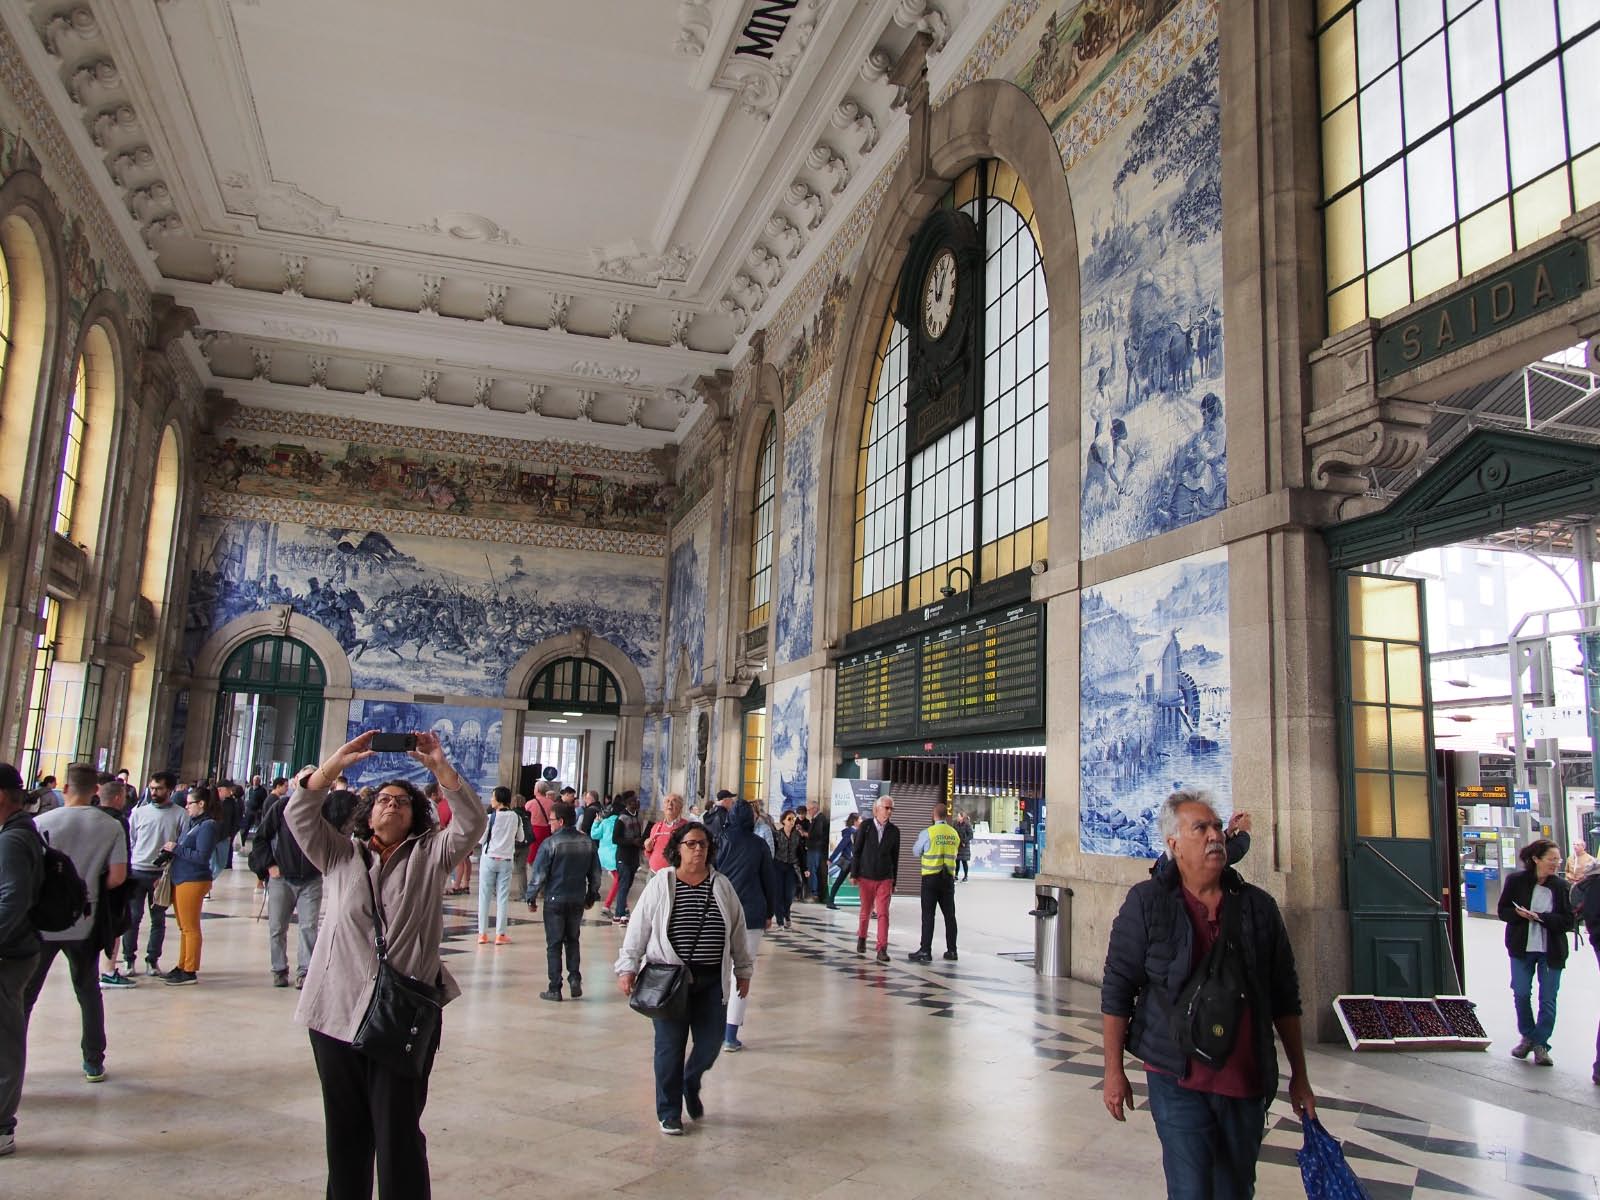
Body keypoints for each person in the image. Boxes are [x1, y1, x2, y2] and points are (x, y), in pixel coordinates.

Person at [287, 729, 486, 1200]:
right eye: (382, 800)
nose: (391, 805)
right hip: (335, 1010)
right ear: (368, 810)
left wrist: (439, 767)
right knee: (345, 1131)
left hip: (402, 1012)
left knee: (398, 1133)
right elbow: (299, 814)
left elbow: (471, 823)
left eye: (401, 801)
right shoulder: (339, 854)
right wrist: (336, 762)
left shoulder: (431, 855)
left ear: (417, 813)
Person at [1101, 788, 1315, 1200]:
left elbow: (1285, 997)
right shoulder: (1146, 904)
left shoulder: (1259, 908)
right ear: (1174, 844)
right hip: (1176, 1077)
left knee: (1235, 1190)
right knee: (1191, 1190)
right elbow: (1117, 989)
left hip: (1245, 1081)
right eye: (1201, 828)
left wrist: (1300, 1076)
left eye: (1217, 827)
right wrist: (1113, 1070)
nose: (1214, 835)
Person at [615, 823, 754, 1136]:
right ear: (677, 848)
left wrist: (743, 970)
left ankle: (691, 1081)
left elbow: (737, 929)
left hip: (710, 981)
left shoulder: (721, 884)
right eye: (691, 844)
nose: (698, 850)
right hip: (669, 981)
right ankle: (669, 1111)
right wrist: (627, 966)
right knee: (669, 1047)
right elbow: (639, 927)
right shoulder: (662, 883)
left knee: (709, 1045)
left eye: (703, 844)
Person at [25, 765, 127, 1080]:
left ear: (65, 789)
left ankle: (10, 1059)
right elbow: (118, 876)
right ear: (96, 790)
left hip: (43, 920)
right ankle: (93, 1060)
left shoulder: (39, 822)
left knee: (26, 995)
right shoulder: (110, 827)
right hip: (85, 918)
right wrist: (87, 889)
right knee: (87, 989)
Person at [1499, 838, 1574, 1067]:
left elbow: (1569, 921)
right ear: (1536, 859)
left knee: (1548, 998)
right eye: (1551, 859)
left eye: (1558, 859)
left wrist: (1542, 918)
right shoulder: (1516, 881)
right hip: (1521, 946)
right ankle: (1527, 1035)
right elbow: (1503, 910)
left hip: (1550, 949)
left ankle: (1540, 1043)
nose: (1556, 864)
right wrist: (1518, 914)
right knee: (1521, 992)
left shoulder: (1561, 886)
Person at [0, 763, 43, 1157]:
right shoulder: (18, 833)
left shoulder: (13, 840)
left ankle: (1, 1126)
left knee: (5, 1039)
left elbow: (13, 897)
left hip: (9, 951)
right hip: (19, 945)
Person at [713, 801, 777, 1052]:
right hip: (750, 915)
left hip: (720, 911)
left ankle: (713, 1027)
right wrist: (770, 912)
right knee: (742, 972)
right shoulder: (759, 845)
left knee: (717, 970)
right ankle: (730, 1034)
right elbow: (769, 882)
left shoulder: (719, 840)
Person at [525, 801, 601, 1001]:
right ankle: (574, 978)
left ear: (560, 821)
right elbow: (595, 874)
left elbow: (539, 874)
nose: (549, 825)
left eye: (551, 820)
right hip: (576, 898)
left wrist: (531, 896)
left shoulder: (550, 843)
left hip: (554, 899)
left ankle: (555, 987)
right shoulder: (587, 842)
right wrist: (591, 895)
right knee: (572, 940)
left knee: (554, 944)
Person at [253, 777, 325, 988]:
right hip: (282, 877)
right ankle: (279, 968)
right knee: (277, 927)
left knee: (309, 927)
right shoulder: (281, 807)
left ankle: (305, 971)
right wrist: (269, 865)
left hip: (311, 878)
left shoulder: (322, 809)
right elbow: (261, 838)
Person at [123, 770, 185, 977]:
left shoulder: (179, 814)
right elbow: (131, 841)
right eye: (151, 788)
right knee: (133, 917)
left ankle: (152, 959)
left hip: (162, 874)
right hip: (137, 870)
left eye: (158, 789)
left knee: (158, 919)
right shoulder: (139, 812)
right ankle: (128, 959)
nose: (154, 792)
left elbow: (181, 843)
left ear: (169, 790)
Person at [162, 786, 222, 985]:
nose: (186, 807)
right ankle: (182, 964)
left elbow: (202, 856)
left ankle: (190, 969)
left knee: (190, 926)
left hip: (194, 878)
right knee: (183, 926)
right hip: (181, 876)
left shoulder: (207, 826)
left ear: (201, 804)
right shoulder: (192, 823)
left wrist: (177, 849)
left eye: (190, 803)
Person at [908, 802, 959, 964]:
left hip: (931, 879)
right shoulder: (954, 833)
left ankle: (925, 951)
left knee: (928, 916)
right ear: (946, 815)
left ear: (933, 815)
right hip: (948, 879)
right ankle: (952, 950)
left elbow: (916, 851)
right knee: (950, 916)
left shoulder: (928, 833)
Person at [851, 796, 899, 962]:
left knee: (883, 913)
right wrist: (854, 874)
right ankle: (862, 937)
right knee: (865, 911)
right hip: (865, 876)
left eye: (891, 808)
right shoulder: (865, 826)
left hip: (885, 877)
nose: (889, 811)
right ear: (877, 809)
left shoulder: (894, 831)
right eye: (887, 808)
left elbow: (895, 857)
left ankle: (882, 948)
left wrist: (894, 881)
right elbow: (856, 851)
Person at [477, 787, 519, 945]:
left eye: (493, 797)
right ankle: (500, 934)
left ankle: (482, 934)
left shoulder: (490, 818)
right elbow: (520, 836)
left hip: (489, 858)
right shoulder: (515, 817)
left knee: (484, 896)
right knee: (502, 898)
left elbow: (481, 840)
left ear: (499, 799)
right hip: (506, 860)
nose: (491, 800)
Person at [611, 791, 645, 923]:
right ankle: (619, 914)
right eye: (634, 801)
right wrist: (632, 842)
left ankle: (621, 910)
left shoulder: (637, 817)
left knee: (628, 885)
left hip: (633, 857)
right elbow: (616, 839)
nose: (637, 803)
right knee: (623, 885)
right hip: (623, 857)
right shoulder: (621, 818)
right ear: (628, 803)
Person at [771, 809, 805, 928]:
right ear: (783, 821)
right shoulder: (777, 835)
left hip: (791, 866)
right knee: (778, 894)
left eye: (794, 819)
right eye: (789, 819)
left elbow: (801, 853)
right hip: (778, 866)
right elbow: (773, 851)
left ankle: (787, 914)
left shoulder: (797, 836)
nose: (792, 821)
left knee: (789, 894)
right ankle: (780, 920)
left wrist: (805, 868)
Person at [645, 793, 688, 874]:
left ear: (680, 807)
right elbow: (649, 853)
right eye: (667, 801)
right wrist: (648, 848)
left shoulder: (687, 827)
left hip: (675, 875)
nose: (670, 804)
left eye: (674, 801)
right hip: (654, 873)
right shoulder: (656, 827)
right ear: (664, 808)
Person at [824, 812, 860, 908]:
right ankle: (830, 901)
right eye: (859, 820)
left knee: (840, 880)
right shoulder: (851, 832)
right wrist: (831, 859)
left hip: (849, 861)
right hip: (850, 861)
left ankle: (830, 901)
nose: (860, 821)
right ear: (855, 821)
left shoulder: (853, 832)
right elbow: (841, 846)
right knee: (863, 881)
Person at [592, 800, 620, 915]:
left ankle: (624, 906)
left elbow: (594, 835)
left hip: (604, 856)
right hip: (616, 855)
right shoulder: (620, 822)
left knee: (619, 880)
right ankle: (607, 906)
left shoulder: (604, 823)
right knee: (619, 880)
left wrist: (596, 822)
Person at [804, 802, 829, 902]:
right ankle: (815, 893)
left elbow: (816, 835)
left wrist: (805, 834)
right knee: (813, 871)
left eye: (809, 809)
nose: (808, 812)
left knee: (812, 871)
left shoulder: (820, 819)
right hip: (815, 849)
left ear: (815, 808)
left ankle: (814, 894)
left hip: (815, 849)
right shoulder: (818, 818)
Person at [952, 809, 973, 881]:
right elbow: (953, 832)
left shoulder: (967, 824)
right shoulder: (955, 824)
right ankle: (956, 875)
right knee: (956, 861)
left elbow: (971, 835)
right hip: (957, 846)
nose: (957, 818)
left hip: (964, 846)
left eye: (958, 816)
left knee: (964, 861)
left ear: (962, 817)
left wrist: (964, 841)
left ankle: (966, 876)